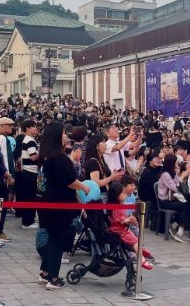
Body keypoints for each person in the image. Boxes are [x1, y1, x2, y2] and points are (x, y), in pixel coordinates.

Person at [37, 122, 90, 290]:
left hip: (45, 202)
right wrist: (84, 187)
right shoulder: (58, 157)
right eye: (63, 133)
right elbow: (69, 180)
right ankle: (53, 278)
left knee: (53, 237)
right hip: (58, 204)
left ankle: (45, 272)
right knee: (57, 239)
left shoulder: (45, 155)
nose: (66, 135)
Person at [107, 182, 153, 270]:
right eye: (123, 193)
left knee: (135, 238)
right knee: (134, 241)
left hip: (121, 229)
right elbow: (121, 220)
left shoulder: (118, 205)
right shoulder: (116, 207)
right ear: (116, 195)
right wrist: (129, 220)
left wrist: (129, 220)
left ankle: (140, 250)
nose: (125, 196)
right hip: (119, 231)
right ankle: (142, 260)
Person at [157, 154, 190, 243]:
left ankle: (174, 225)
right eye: (176, 162)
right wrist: (182, 177)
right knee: (185, 206)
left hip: (173, 199)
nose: (177, 164)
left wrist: (180, 177)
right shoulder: (165, 175)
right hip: (164, 201)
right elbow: (175, 188)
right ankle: (179, 232)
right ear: (172, 163)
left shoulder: (173, 173)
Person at [84, 134, 123, 202]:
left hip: (104, 194)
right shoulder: (93, 162)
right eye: (103, 142)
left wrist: (114, 175)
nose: (106, 145)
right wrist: (111, 177)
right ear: (96, 146)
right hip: (100, 196)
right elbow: (95, 183)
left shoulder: (101, 159)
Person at [18, 119, 40, 229]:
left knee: (28, 197)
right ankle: (28, 222)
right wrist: (42, 152)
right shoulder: (30, 140)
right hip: (30, 172)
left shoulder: (27, 139)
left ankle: (28, 220)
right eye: (34, 126)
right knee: (30, 197)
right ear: (28, 128)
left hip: (27, 172)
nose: (36, 128)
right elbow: (33, 157)